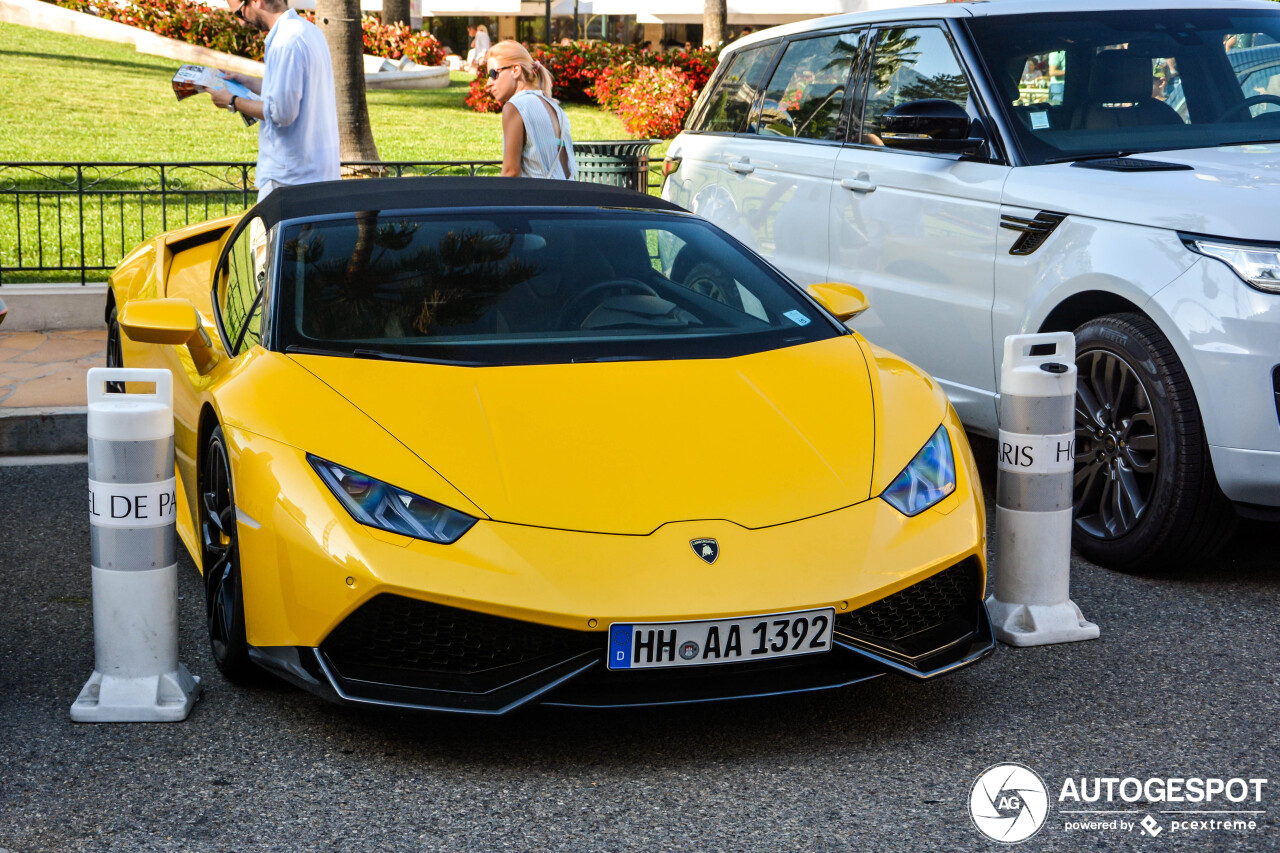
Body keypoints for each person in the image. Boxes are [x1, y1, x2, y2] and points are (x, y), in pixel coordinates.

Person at [212, 0, 339, 199]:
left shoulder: (285, 42)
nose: (243, 22)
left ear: (256, 1)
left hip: (289, 180)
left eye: (240, 13)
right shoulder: (309, 31)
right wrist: (245, 81)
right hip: (316, 174)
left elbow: (282, 112)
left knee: (265, 232)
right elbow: (292, 93)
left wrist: (232, 101)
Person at [485, 41, 577, 180]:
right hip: (568, 199)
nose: (489, 82)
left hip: (536, 199)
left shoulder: (515, 107)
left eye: (493, 73)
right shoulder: (556, 109)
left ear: (516, 70)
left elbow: (511, 173)